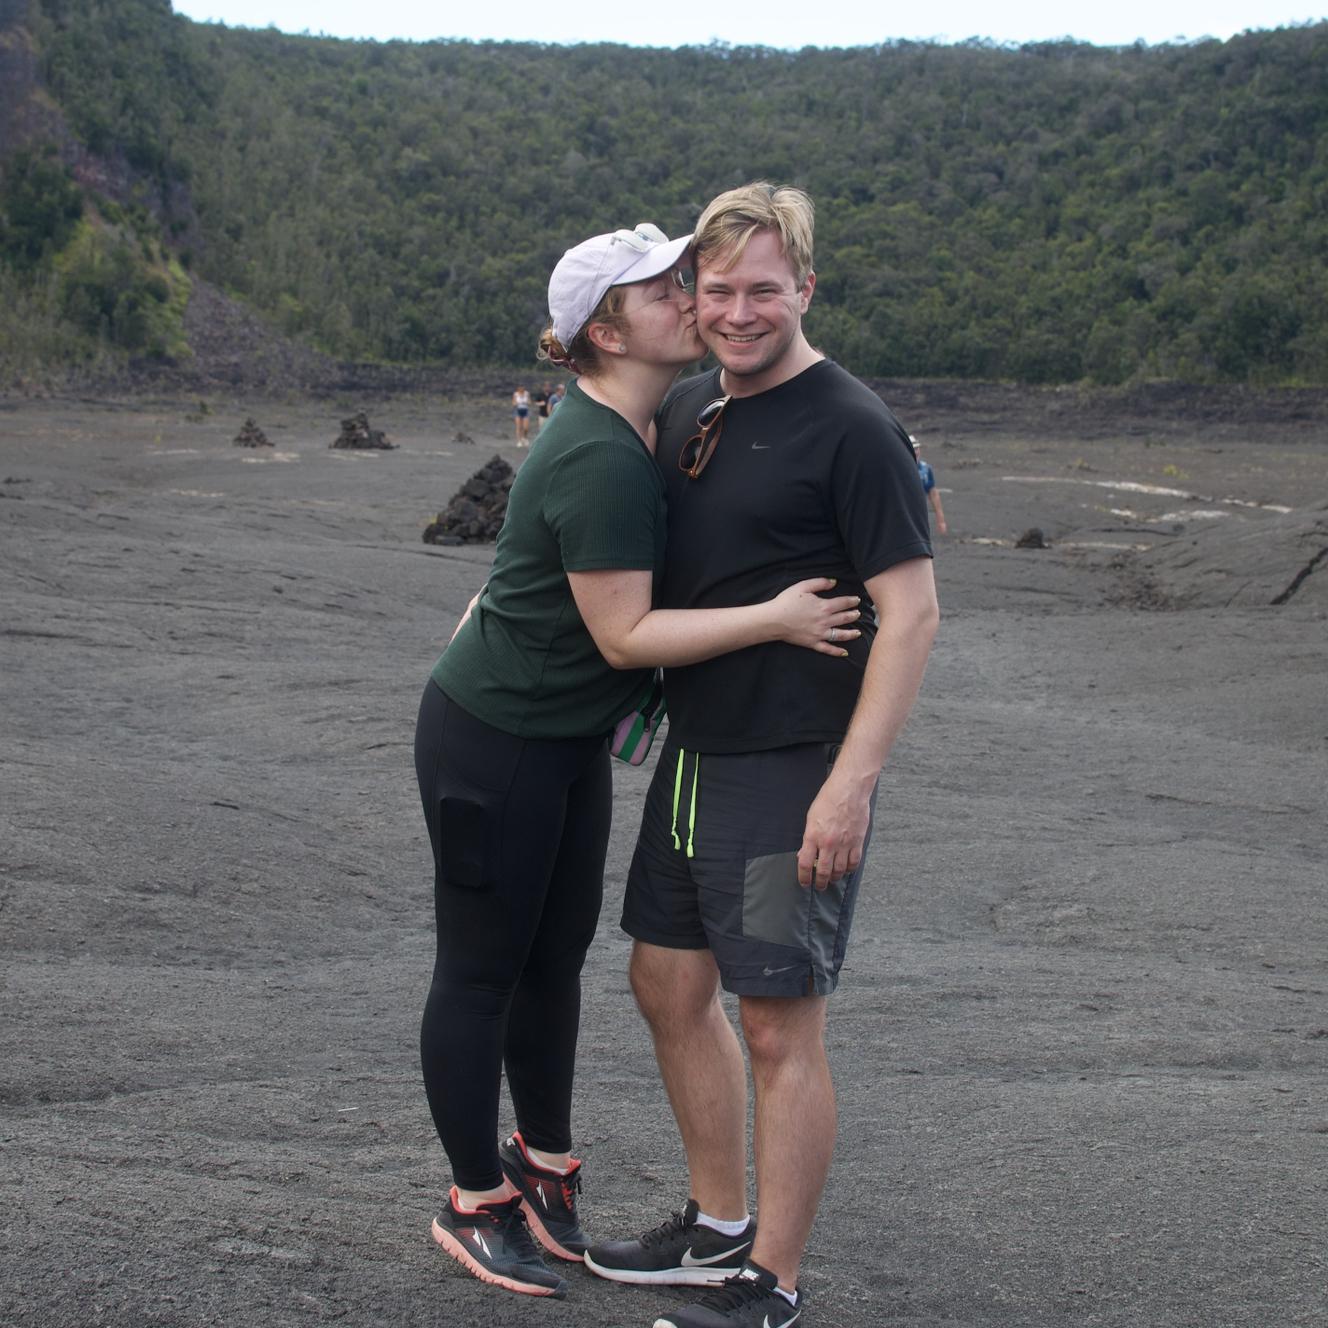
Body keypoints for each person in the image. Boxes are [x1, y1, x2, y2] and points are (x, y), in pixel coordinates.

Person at [415, 220, 865, 1301]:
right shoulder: (602, 449)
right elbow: (621, 635)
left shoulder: (654, 419)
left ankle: (548, 1167)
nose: (692, 298)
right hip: (502, 743)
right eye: (665, 286)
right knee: (484, 968)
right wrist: (773, 617)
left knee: (555, 962)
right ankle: (476, 1199)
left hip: (575, 746)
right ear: (605, 329)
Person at [583, 184, 940, 1328]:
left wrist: (851, 781)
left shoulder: (852, 425)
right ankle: (715, 1219)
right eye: (717, 289)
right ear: (692, 294)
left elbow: (913, 612)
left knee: (780, 1021)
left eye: (762, 289)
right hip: (694, 757)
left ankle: (769, 1283)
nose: (738, 311)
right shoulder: (694, 405)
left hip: (790, 771)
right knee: (665, 981)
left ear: (805, 288)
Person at [911, 435, 949, 534]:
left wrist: (941, 521)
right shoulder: (897, 470)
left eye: (916, 448)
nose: (915, 452)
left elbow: (933, 494)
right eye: (912, 449)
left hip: (920, 516)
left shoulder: (926, 469)